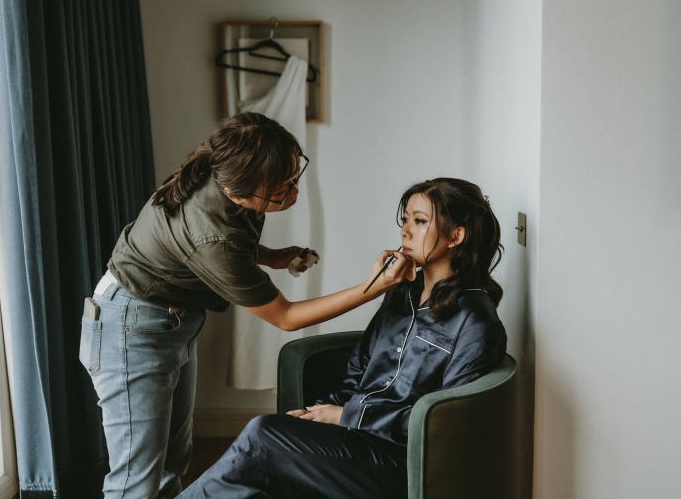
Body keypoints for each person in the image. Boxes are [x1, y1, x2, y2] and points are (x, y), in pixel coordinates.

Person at [78, 112, 415, 498]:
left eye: (293, 177)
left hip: (168, 323)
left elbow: (221, 246)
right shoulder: (211, 235)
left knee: (172, 461)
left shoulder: (219, 172)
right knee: (134, 480)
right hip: (130, 328)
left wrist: (271, 257)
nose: (293, 192)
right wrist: (375, 286)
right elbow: (286, 317)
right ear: (239, 192)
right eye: (280, 188)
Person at [177, 177, 508, 499]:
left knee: (262, 437)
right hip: (356, 440)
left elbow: (443, 426)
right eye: (405, 219)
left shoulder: (475, 321)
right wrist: (320, 413)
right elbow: (360, 368)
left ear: (456, 236)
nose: (405, 230)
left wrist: (346, 415)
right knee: (267, 445)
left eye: (420, 221)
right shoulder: (401, 292)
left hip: (403, 462)